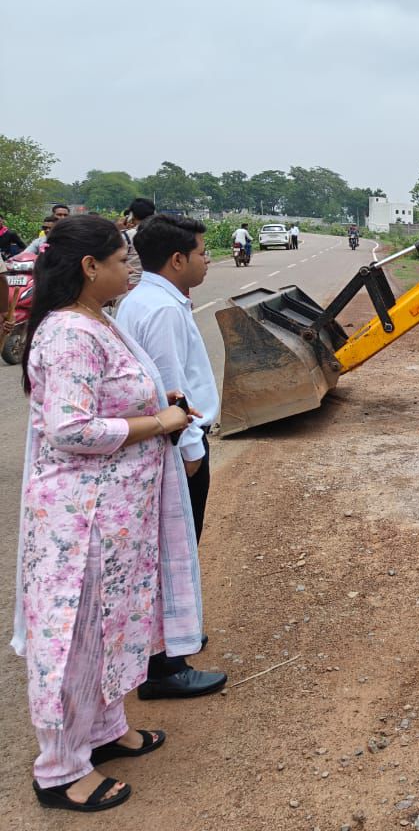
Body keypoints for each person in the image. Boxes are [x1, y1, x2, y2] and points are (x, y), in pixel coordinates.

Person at [12, 214, 203, 812]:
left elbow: (108, 394)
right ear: (90, 267)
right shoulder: (69, 332)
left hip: (114, 516)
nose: (132, 265)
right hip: (82, 519)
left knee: (112, 626)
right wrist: (159, 422)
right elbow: (70, 428)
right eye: (122, 258)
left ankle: (104, 731)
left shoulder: (99, 318)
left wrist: (158, 399)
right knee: (76, 637)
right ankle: (60, 770)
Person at [116, 215, 226, 700]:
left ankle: (169, 640)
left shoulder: (150, 299)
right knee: (172, 551)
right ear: (178, 259)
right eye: (203, 252)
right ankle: (163, 667)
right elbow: (168, 389)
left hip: (170, 444)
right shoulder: (160, 309)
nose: (208, 260)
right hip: (177, 446)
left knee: (170, 549)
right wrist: (190, 450)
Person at [121, 198, 156, 290]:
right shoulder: (162, 233)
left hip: (130, 286)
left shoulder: (126, 236)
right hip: (154, 285)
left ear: (131, 214)